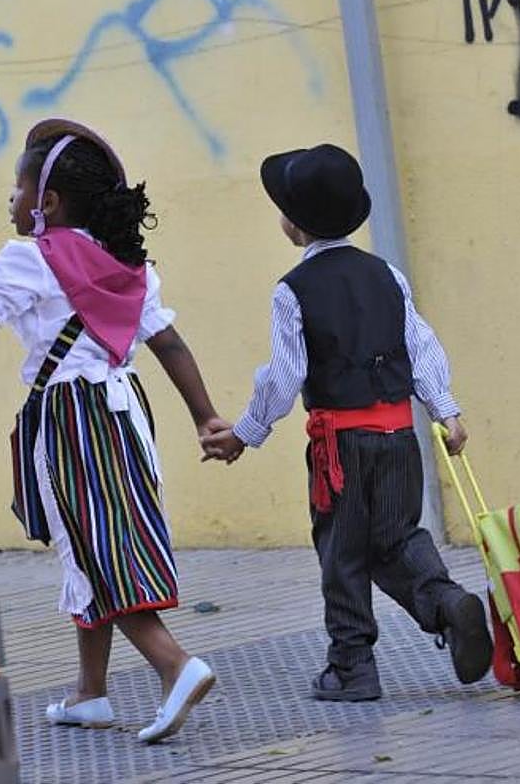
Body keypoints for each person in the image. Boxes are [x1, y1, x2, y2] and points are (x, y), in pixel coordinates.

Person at [0, 119, 222, 743]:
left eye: (16, 190)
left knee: (98, 550)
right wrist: (204, 415)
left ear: (46, 202)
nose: (11, 202)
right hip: (126, 413)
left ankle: (174, 664)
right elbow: (169, 342)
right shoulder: (127, 265)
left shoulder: (28, 258)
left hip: (70, 418)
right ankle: (89, 693)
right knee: (95, 539)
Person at [202, 144, 493, 702]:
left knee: (343, 551)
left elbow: (285, 375)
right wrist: (446, 409)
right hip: (399, 434)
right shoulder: (387, 275)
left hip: (341, 446)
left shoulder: (292, 291)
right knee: (398, 536)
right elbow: (421, 345)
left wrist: (246, 432)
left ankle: (352, 667)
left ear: (295, 223)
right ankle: (447, 603)